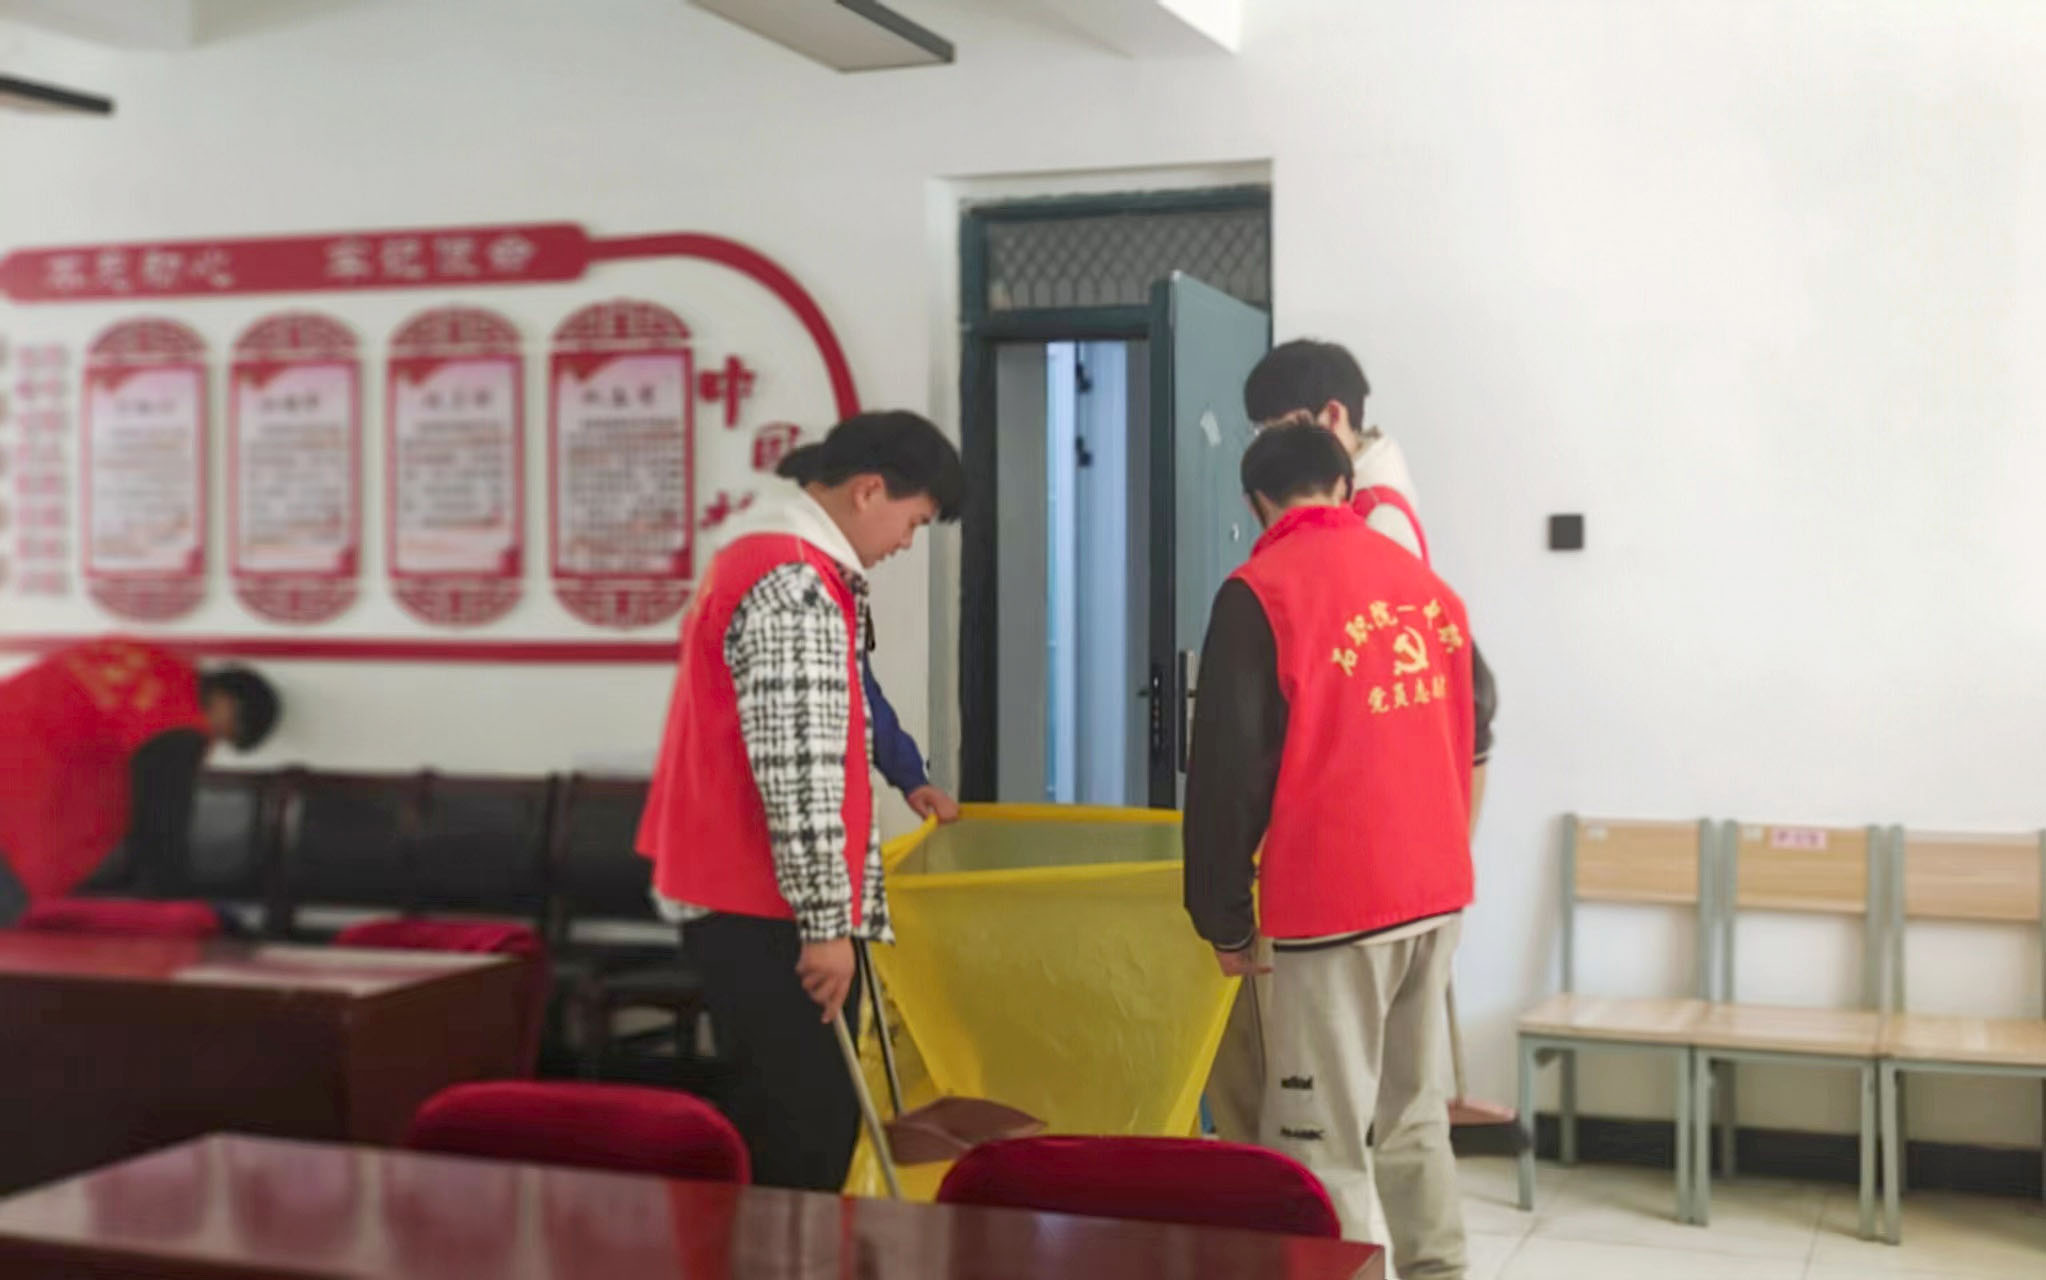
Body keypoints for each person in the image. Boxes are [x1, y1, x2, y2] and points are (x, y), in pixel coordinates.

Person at [636, 410, 964, 1191]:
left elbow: (846, 704)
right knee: (806, 1132)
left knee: (778, 1115)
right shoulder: (795, 586)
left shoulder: (764, 557)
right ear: (869, 490)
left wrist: (904, 770)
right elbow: (801, 769)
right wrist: (825, 925)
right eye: (914, 522)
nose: (906, 544)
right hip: (765, 903)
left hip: (735, 892)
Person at [1184, 424, 1480, 1275]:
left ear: (1257, 504)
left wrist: (1222, 917)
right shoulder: (1430, 591)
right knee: (1415, 1115)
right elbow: (1464, 734)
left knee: (1320, 1140)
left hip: (1335, 908)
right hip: (1435, 893)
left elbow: (1227, 773)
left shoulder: (1261, 592)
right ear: (1346, 489)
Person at [0, 638, 280, 925]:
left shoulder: (142, 656)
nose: (211, 745)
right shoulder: (179, 719)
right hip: (17, 830)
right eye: (221, 734)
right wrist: (174, 914)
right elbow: (160, 828)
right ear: (228, 703)